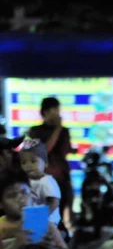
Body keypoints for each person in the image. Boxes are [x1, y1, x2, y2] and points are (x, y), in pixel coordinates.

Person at [28, 97, 73, 230]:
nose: (58, 113)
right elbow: (43, 151)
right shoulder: (35, 131)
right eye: (55, 109)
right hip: (41, 178)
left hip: (61, 177)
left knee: (59, 210)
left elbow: (65, 151)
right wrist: (57, 129)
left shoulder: (65, 131)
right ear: (46, 112)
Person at [19, 139, 61, 225]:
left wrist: (42, 217)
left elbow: (54, 201)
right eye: (23, 162)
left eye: (33, 161)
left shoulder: (46, 181)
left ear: (45, 163)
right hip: (32, 220)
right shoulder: (25, 181)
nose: (28, 165)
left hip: (48, 222)